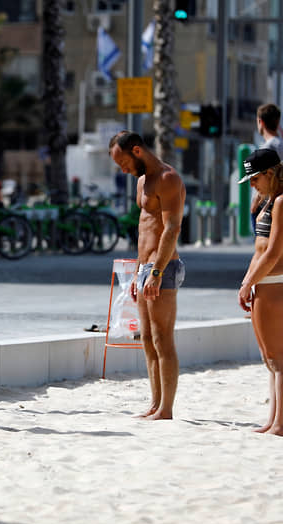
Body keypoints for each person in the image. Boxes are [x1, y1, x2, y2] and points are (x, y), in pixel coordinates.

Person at [108, 131, 186, 420]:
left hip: (162, 268)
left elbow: (171, 228)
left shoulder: (168, 179)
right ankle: (155, 403)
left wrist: (155, 271)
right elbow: (145, 229)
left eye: (123, 162)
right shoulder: (141, 181)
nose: (122, 169)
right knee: (148, 338)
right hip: (145, 269)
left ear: (137, 151)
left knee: (163, 338)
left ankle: (166, 408)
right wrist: (138, 274)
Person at [237, 148, 283, 437]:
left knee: (279, 359)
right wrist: (250, 281)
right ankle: (274, 421)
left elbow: (273, 252)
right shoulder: (270, 200)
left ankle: (282, 425)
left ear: (270, 173)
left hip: (273, 286)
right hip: (265, 285)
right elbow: (260, 251)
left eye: (255, 178)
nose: (252, 184)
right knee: (269, 359)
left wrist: (247, 283)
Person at [250, 104, 283, 231]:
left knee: (263, 246)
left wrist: (254, 205)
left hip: (266, 205)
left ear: (260, 122)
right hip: (281, 201)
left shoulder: (267, 148)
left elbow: (263, 178)